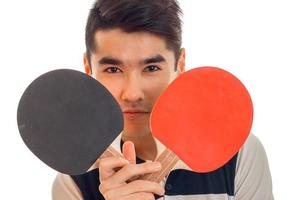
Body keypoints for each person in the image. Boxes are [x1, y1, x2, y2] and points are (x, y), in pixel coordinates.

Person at [52, 0, 274, 199]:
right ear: (88, 68)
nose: (132, 93)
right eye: (112, 69)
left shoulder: (239, 155)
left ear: (180, 64)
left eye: (151, 68)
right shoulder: (73, 184)